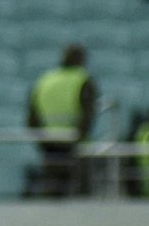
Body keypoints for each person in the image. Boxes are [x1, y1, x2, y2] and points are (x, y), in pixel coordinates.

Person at [26, 44, 97, 198]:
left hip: (49, 147)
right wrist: (77, 138)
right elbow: (88, 115)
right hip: (76, 148)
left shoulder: (45, 80)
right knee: (80, 199)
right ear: (81, 60)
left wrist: (44, 142)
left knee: (52, 195)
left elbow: (31, 120)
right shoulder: (83, 80)